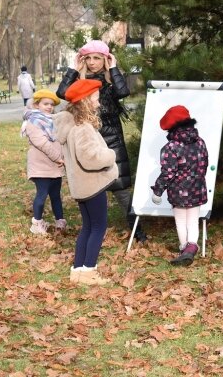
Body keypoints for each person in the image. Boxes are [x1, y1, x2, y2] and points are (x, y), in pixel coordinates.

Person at [56, 40, 147, 243]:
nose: (92, 62)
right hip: (88, 138)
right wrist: (73, 69)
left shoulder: (109, 82)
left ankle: (137, 231)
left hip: (112, 138)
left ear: (105, 59)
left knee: (121, 190)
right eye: (88, 58)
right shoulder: (81, 83)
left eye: (97, 58)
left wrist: (113, 68)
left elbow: (123, 92)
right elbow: (62, 93)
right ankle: (96, 230)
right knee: (93, 187)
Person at [55, 79, 118, 286]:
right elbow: (89, 157)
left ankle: (78, 269)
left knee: (88, 227)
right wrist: (109, 155)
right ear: (85, 101)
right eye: (96, 99)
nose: (98, 104)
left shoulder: (73, 125)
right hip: (91, 185)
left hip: (82, 186)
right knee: (98, 227)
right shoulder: (82, 128)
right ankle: (89, 270)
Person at [150, 105, 209, 266]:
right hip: (197, 187)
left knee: (181, 221)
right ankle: (191, 247)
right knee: (193, 221)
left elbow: (168, 173)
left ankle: (185, 249)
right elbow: (204, 164)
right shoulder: (200, 142)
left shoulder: (170, 147)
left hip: (178, 191)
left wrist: (158, 190)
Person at [21, 89, 66, 235]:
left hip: (55, 165)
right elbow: (43, 144)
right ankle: (37, 222)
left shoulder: (53, 121)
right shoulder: (32, 122)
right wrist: (58, 157)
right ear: (36, 105)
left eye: (52, 105)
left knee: (55, 195)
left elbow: (59, 140)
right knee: (42, 194)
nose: (49, 107)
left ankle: (60, 220)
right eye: (45, 103)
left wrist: (62, 157)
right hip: (41, 165)